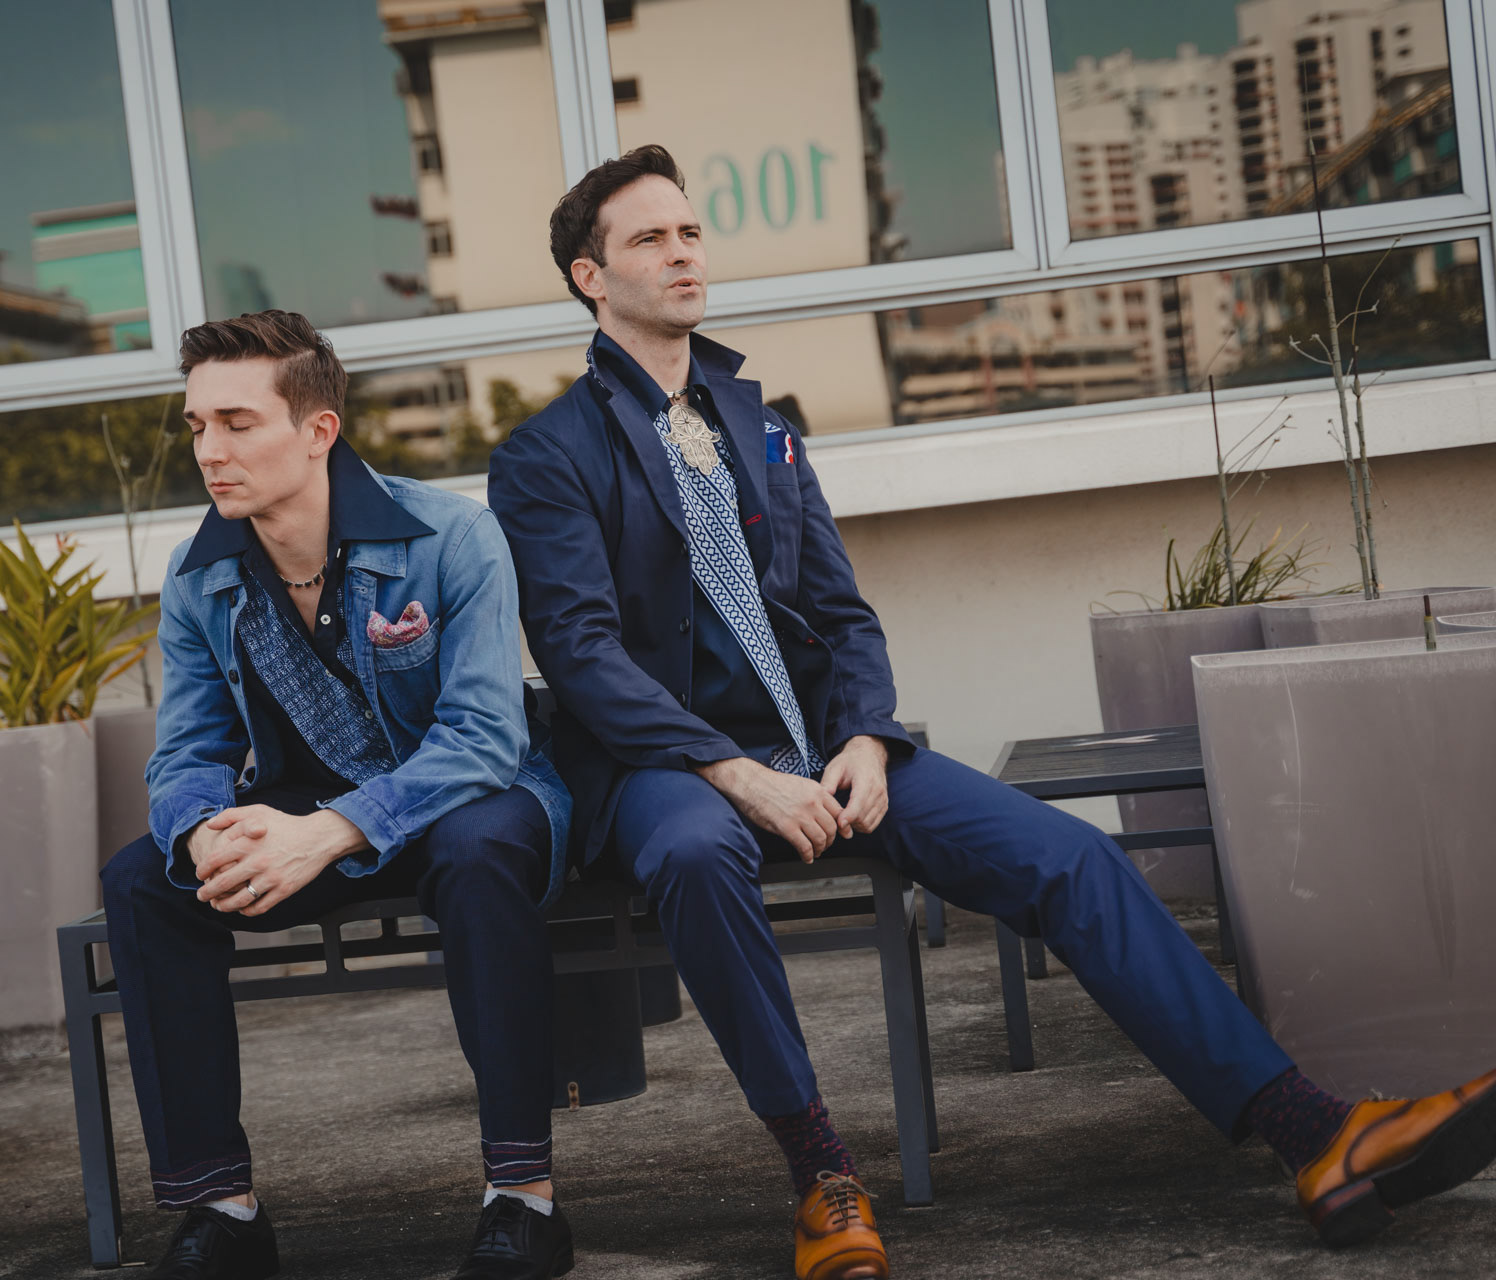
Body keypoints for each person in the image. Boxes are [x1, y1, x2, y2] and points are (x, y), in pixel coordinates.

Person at [486, 145, 1496, 1280]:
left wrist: (864, 735)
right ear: (590, 278)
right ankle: (820, 1175)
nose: (683, 254)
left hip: (825, 749)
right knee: (692, 855)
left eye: (689, 232)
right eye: (649, 239)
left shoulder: (757, 420)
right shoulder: (543, 456)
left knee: (1069, 857)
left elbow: (841, 613)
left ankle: (1315, 1133)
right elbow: (581, 656)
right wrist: (734, 771)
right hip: (670, 768)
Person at [103, 310, 575, 1280]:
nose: (209, 450)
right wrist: (199, 832)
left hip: (466, 792)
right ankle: (222, 1211)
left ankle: (523, 1199)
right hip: (303, 806)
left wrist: (333, 829)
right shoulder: (199, 575)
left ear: (318, 429)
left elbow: (485, 737)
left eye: (237, 422)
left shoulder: (450, 534)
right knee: (145, 881)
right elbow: (188, 748)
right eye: (196, 425)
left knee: (479, 854)